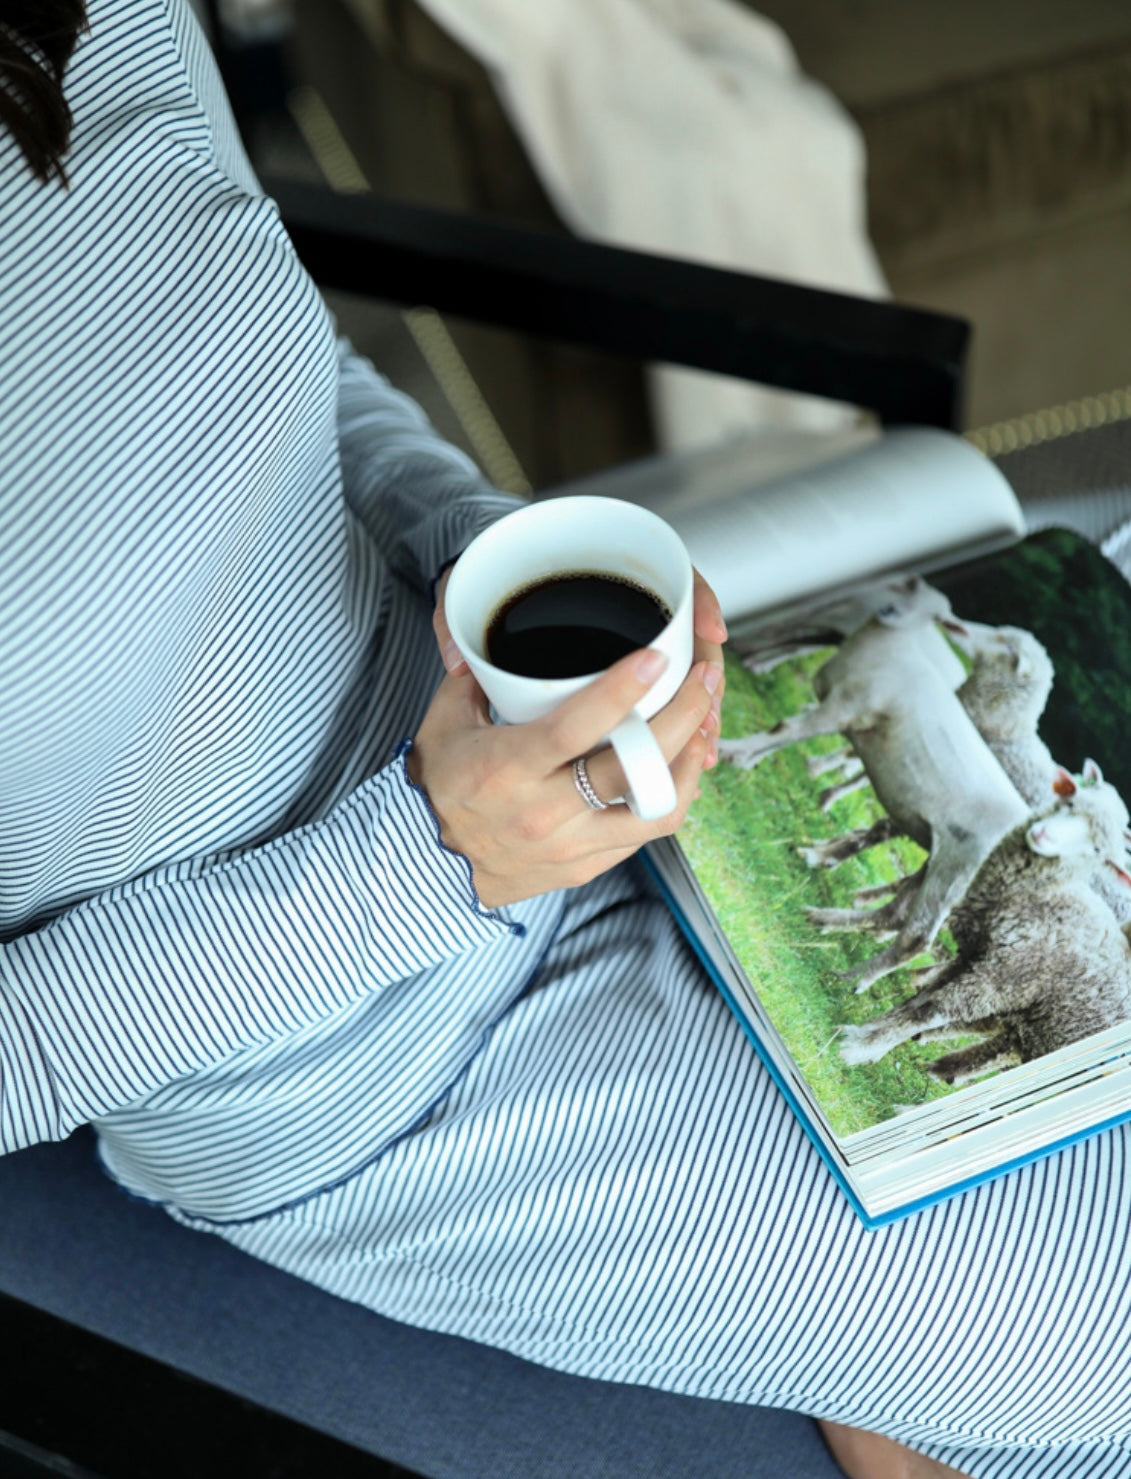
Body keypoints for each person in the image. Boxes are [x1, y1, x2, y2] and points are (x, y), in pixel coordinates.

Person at [2, 5, 1129, 1477]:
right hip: (370, 1057)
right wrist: (433, 857)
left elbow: (271, 362)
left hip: (565, 760)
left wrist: (488, 552)